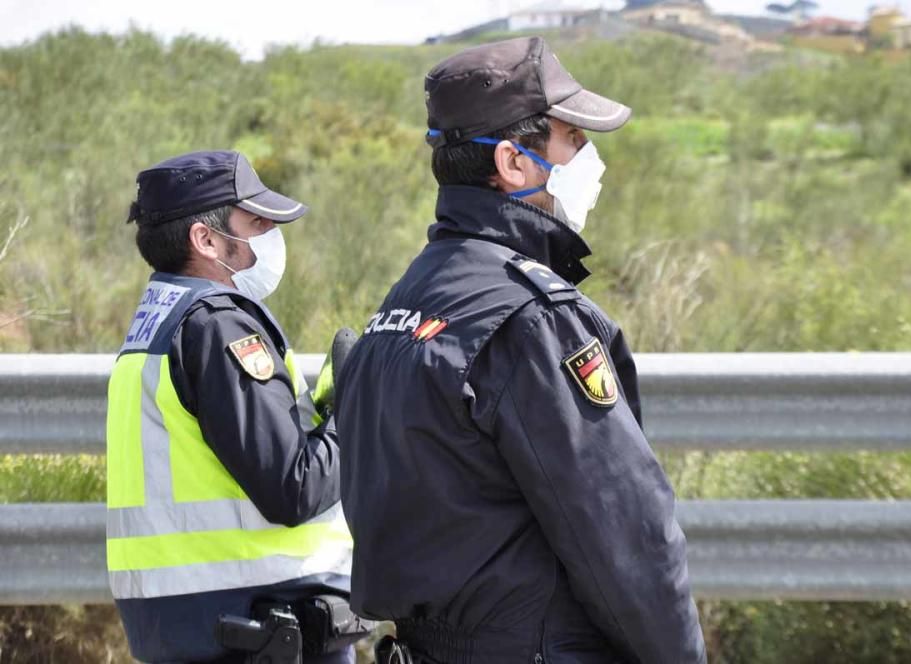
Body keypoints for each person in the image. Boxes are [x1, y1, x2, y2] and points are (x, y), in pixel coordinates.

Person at [334, 37, 706, 663]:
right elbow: (624, 537)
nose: (593, 163)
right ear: (512, 162)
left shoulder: (407, 297)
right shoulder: (533, 317)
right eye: (575, 142)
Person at [106, 150, 358, 663]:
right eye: (256, 222)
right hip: (260, 627)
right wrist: (355, 411)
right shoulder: (218, 325)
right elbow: (294, 487)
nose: (271, 236)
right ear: (206, 239)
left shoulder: (155, 325)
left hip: (197, 624)